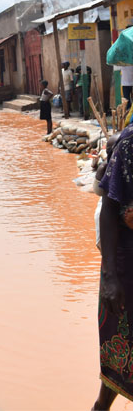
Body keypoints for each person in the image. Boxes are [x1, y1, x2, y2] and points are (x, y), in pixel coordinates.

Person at [93, 125, 133, 410]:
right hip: (127, 268)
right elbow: (109, 207)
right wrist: (110, 277)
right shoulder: (130, 144)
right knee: (121, 356)